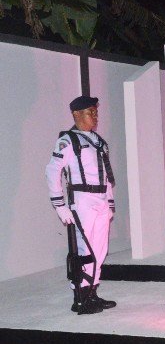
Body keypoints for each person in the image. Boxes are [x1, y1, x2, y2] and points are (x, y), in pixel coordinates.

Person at [45, 96, 117, 315]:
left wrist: (110, 202)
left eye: (95, 111)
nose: (95, 115)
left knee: (100, 249)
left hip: (101, 199)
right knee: (85, 249)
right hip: (83, 199)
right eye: (89, 112)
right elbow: (52, 171)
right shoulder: (68, 140)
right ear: (76, 114)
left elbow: (106, 174)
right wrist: (60, 205)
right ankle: (80, 297)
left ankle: (92, 292)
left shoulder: (98, 141)